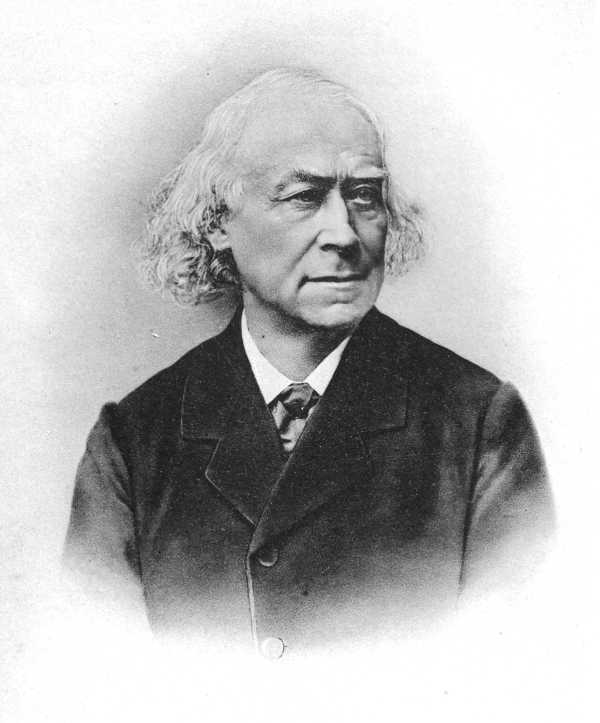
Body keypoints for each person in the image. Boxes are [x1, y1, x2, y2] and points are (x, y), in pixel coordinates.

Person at [63, 68, 554, 659]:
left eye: (364, 195)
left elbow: (515, 664)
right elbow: (96, 670)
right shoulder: (135, 441)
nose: (344, 235)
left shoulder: (479, 424)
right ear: (218, 223)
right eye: (303, 197)